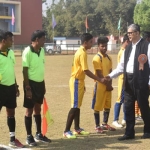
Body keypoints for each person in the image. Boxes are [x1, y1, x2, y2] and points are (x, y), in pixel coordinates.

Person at [106, 24, 150, 140]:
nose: (128, 35)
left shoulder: (147, 46)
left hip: (141, 81)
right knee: (128, 107)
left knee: (143, 106)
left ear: (137, 33)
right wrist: (109, 76)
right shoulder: (128, 48)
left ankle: (148, 130)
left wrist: (149, 82)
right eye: (128, 33)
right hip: (128, 80)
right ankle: (129, 132)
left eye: (130, 33)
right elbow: (121, 67)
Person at [63, 33, 105, 139]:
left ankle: (77, 128)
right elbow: (86, 70)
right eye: (91, 42)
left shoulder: (82, 51)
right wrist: (98, 78)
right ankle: (66, 130)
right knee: (74, 106)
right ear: (85, 42)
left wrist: (83, 83)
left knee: (78, 106)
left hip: (79, 81)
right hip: (76, 81)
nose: (92, 44)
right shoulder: (82, 53)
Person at [22, 30, 51, 146]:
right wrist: (27, 87)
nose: (45, 41)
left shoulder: (42, 51)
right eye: (43, 39)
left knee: (38, 109)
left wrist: (43, 84)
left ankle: (39, 134)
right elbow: (24, 70)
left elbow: (41, 69)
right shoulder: (27, 51)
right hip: (30, 84)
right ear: (37, 40)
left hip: (39, 84)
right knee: (29, 110)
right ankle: (29, 136)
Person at [0, 30, 24, 148]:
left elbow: (11, 70)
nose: (12, 41)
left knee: (11, 113)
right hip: (0, 88)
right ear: (3, 41)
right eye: (10, 39)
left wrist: (16, 86)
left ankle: (12, 139)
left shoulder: (10, 53)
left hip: (10, 88)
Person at [91, 37, 116, 133]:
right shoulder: (97, 58)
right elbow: (99, 73)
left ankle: (104, 123)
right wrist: (107, 84)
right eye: (102, 46)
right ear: (98, 46)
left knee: (107, 104)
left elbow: (110, 73)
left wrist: (110, 84)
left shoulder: (109, 58)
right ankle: (97, 126)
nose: (104, 48)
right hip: (100, 85)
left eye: (106, 46)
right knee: (97, 105)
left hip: (107, 85)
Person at [112, 34, 129, 128]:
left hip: (125, 79)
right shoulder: (122, 52)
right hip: (122, 79)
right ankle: (115, 119)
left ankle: (125, 118)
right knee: (120, 99)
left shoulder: (124, 51)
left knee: (126, 100)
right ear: (126, 41)